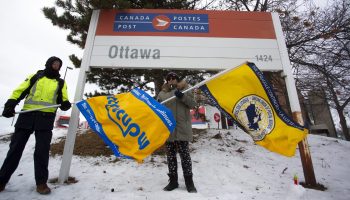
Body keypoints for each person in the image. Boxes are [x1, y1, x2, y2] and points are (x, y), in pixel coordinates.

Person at [0, 56, 71, 194]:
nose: (56, 65)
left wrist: (65, 104)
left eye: (58, 64)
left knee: (42, 152)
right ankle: (2, 180)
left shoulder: (61, 82)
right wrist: (10, 104)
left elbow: (64, 98)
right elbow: (20, 91)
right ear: (48, 64)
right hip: (27, 116)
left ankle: (41, 183)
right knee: (15, 150)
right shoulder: (35, 77)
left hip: (45, 120)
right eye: (54, 63)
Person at [157, 72, 197, 193]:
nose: (171, 80)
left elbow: (193, 104)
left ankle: (189, 183)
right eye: (169, 78)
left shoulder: (186, 89)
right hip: (169, 131)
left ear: (177, 80)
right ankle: (173, 181)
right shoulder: (162, 93)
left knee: (185, 157)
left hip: (182, 130)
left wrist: (182, 97)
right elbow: (158, 109)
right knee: (171, 158)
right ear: (167, 81)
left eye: (174, 78)